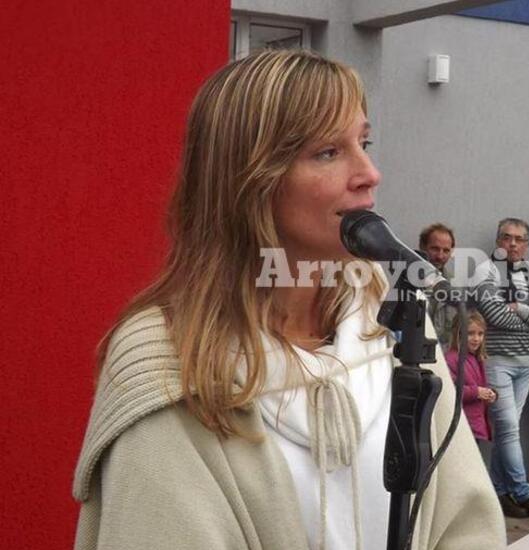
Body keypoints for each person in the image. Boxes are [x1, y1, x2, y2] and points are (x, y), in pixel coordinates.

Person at [72, 50, 504, 550]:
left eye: (364, 143)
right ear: (250, 182)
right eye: (328, 152)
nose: (369, 172)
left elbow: (467, 523)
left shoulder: (392, 322)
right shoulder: (170, 361)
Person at [473, 217, 529, 519]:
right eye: (507, 237)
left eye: (519, 239)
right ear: (498, 241)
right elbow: (494, 315)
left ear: (526, 245)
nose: (512, 244)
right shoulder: (486, 270)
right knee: (508, 427)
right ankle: (524, 493)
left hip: (527, 362)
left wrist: (520, 308)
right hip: (497, 360)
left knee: (507, 429)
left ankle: (499, 492)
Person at [445, 311, 496, 466]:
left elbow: (479, 385)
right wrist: (477, 392)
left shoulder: (476, 359)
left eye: (480, 334)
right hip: (462, 426)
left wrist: (491, 394)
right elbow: (451, 391)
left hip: (475, 425)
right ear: (459, 334)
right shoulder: (452, 359)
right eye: (471, 333)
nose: (476, 338)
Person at [419, 223, 457, 348]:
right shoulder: (407, 283)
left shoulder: (456, 287)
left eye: (446, 251)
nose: (440, 256)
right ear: (422, 247)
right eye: (435, 249)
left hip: (445, 356)